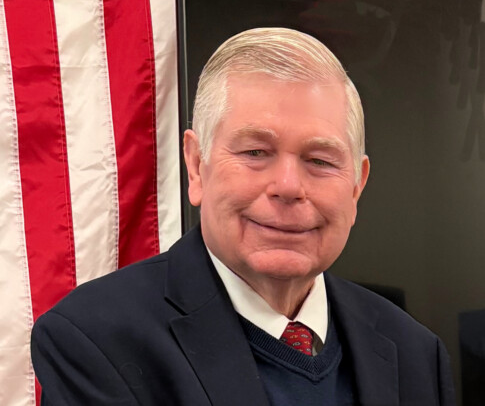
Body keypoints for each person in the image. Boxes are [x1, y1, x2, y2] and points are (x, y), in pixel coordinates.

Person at [31, 28, 456, 405]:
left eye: (320, 160)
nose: (288, 186)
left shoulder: (416, 354)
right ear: (196, 166)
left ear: (357, 186)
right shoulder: (96, 340)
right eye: (255, 152)